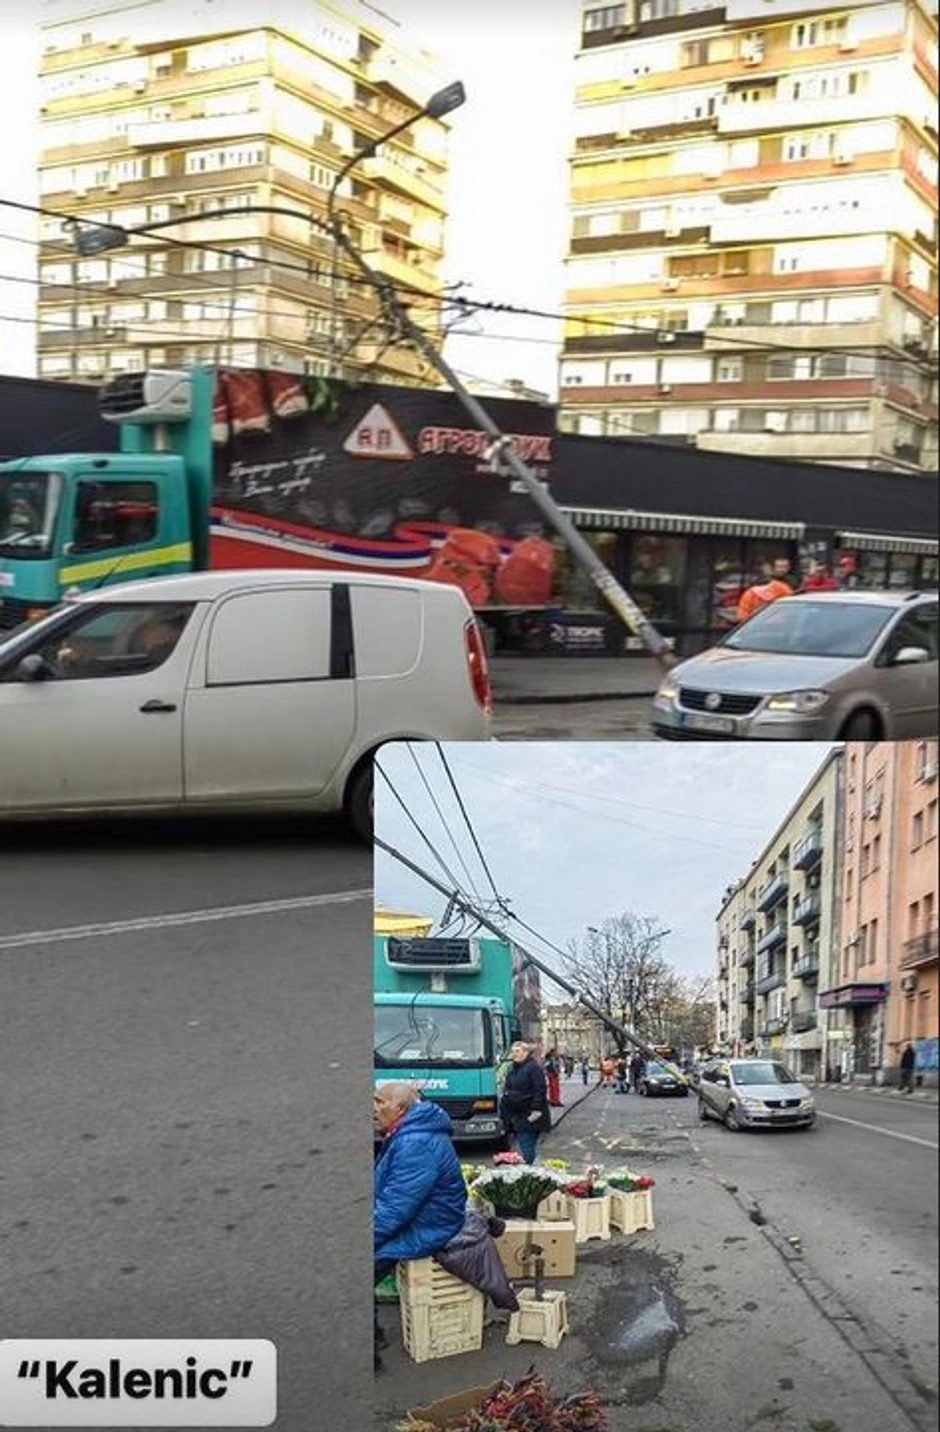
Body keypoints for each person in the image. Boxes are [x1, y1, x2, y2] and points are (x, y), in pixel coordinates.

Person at [373, 1082, 467, 1371]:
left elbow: (396, 1208)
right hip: (419, 1216)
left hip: (429, 1224)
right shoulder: (409, 1133)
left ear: (400, 1109)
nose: (373, 1108)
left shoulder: (415, 1143)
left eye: (379, 1102)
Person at [499, 1041, 551, 1164]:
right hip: (517, 1114)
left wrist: (536, 1110)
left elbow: (540, 1089)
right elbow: (508, 1088)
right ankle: (530, 1170)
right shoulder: (514, 1069)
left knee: (526, 1144)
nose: (514, 1054)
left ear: (526, 1053)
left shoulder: (533, 1068)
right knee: (525, 1144)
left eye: (517, 1051)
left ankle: (529, 1171)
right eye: (512, 1051)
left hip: (529, 1115)